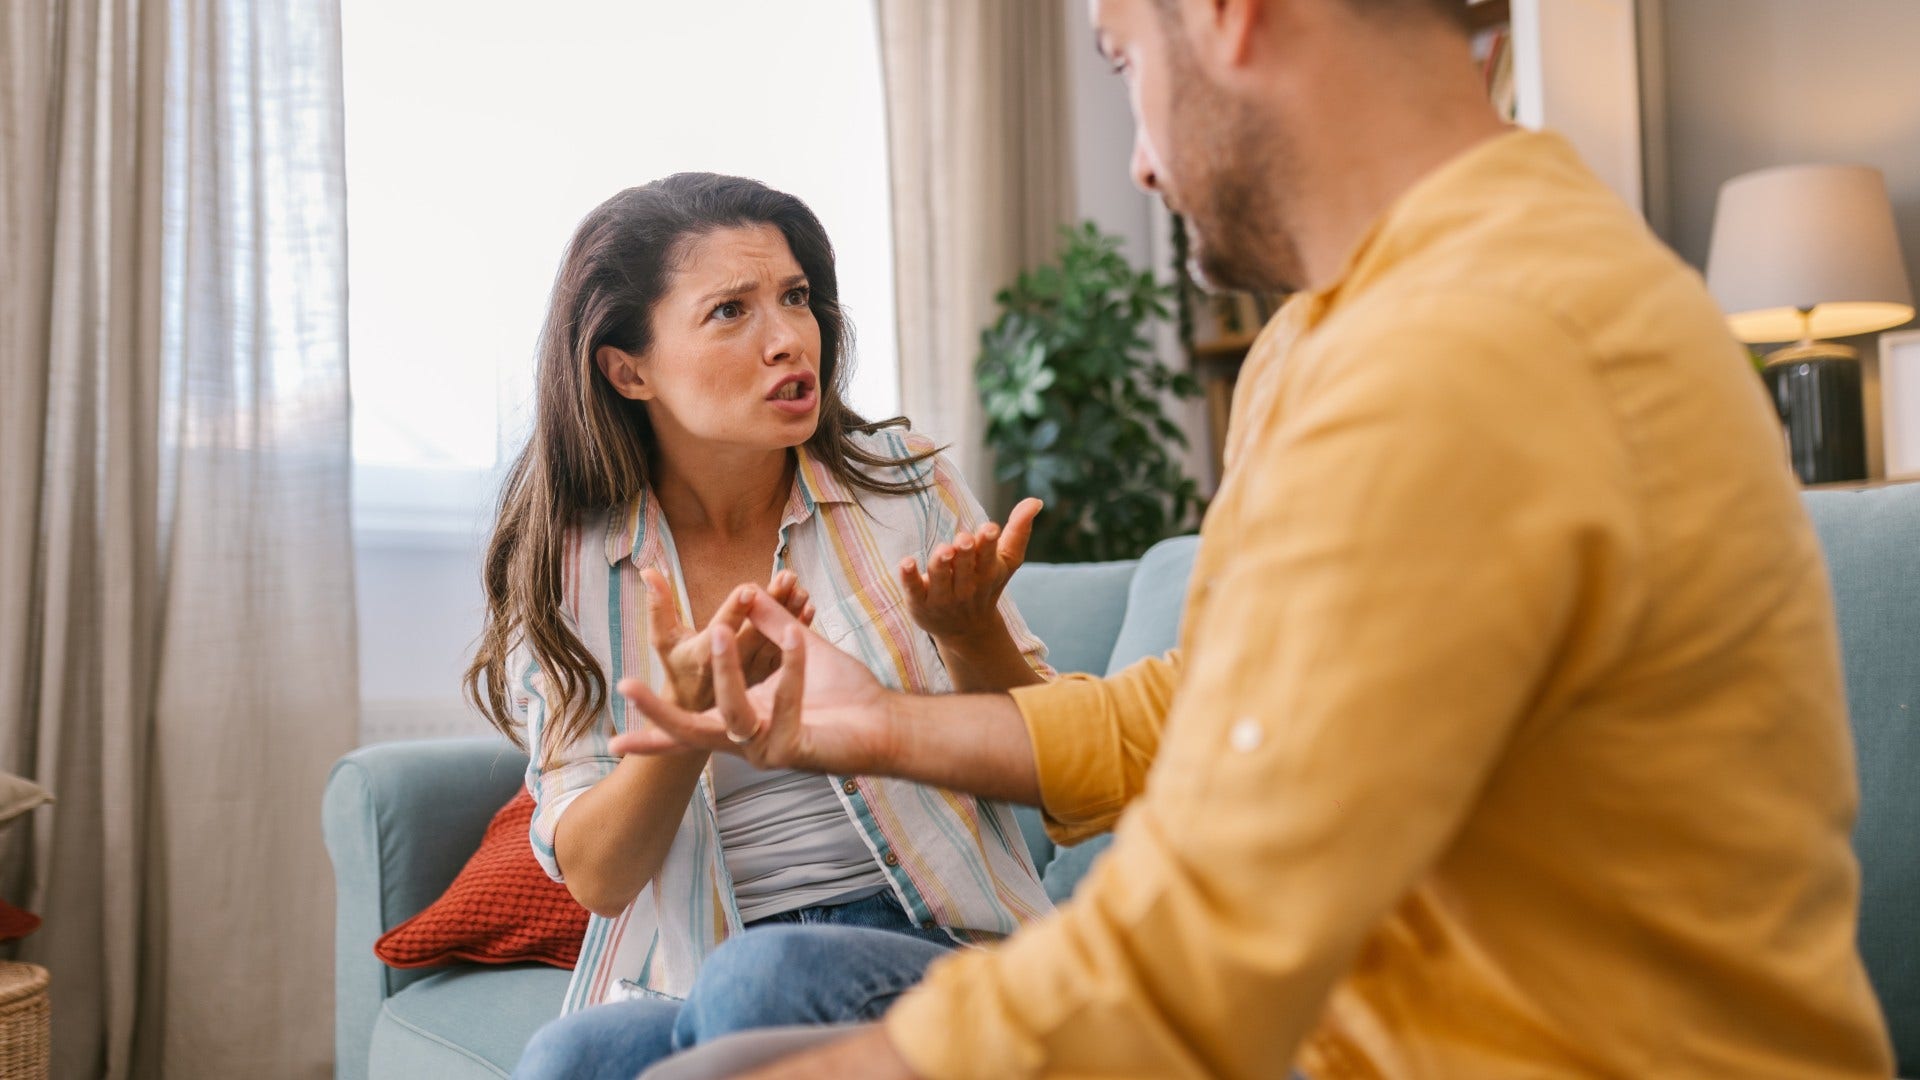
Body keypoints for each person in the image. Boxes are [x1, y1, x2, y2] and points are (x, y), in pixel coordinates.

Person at [610, 1, 1898, 1077]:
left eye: (1123, 58)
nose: (1138, 163)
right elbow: (1188, 714)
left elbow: (1202, 953)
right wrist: (867, 723)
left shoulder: (1478, 340)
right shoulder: (1326, 339)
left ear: (1227, 16)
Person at [463, 173, 1057, 1080]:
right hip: (701, 973)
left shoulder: (902, 487)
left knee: (763, 979)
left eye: (795, 297)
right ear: (628, 369)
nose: (788, 338)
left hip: (940, 947)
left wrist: (974, 632)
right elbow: (599, 877)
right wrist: (685, 732)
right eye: (731, 311)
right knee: (569, 1058)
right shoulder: (568, 565)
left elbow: (1053, 766)